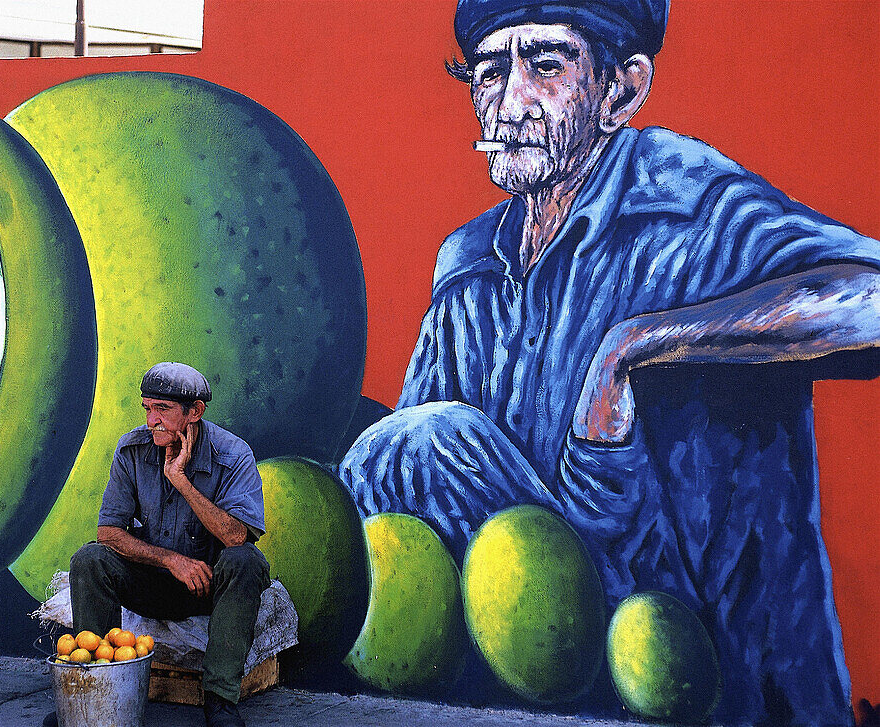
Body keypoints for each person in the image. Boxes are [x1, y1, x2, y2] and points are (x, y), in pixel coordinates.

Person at [338, 0, 880, 724]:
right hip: (545, 678)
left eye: (546, 65)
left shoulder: (680, 197)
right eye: (490, 73)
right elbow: (405, 509)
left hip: (718, 679)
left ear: (620, 90)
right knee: (401, 449)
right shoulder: (467, 264)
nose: (509, 101)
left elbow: (868, 299)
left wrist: (636, 347)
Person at [56, 362, 269, 727]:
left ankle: (219, 701)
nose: (152, 420)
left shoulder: (233, 455)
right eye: (147, 408)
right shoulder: (133, 449)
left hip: (208, 586)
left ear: (195, 412)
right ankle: (93, 690)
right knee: (90, 559)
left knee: (246, 560)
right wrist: (171, 560)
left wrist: (180, 480)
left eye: (163, 410)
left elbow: (237, 536)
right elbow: (109, 532)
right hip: (153, 579)